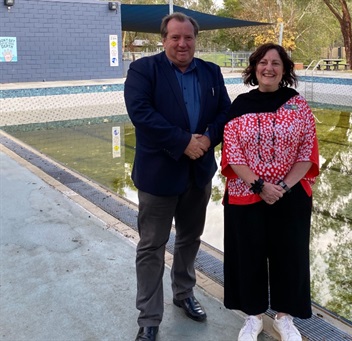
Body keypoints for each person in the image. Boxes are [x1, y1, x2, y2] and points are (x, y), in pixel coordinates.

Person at [124, 12, 231, 341]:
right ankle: (149, 317)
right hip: (159, 175)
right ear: (164, 39)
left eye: (188, 38)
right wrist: (184, 142)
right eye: (175, 37)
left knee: (189, 239)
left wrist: (204, 141)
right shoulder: (145, 70)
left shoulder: (210, 72)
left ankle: (184, 294)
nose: (182, 43)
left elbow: (225, 113)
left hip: (197, 174)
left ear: (196, 40)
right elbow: (141, 113)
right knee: (151, 246)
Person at [221, 43, 320, 341]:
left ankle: (284, 318)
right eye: (263, 62)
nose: (269, 68)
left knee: (289, 257)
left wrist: (283, 187)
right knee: (248, 256)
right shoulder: (240, 104)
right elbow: (232, 153)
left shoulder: (297, 104)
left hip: (290, 197)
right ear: (254, 68)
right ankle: (253, 317)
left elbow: (308, 151)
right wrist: (261, 186)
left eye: (276, 63)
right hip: (246, 196)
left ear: (285, 70)